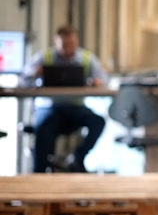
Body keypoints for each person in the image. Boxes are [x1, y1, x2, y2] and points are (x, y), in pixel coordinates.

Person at [20, 24, 108, 173]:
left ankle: (77, 157)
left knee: (98, 122)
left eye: (71, 44)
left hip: (76, 108)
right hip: (49, 107)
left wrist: (97, 82)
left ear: (77, 41)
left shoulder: (86, 58)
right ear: (56, 42)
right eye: (64, 45)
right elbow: (23, 80)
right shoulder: (45, 57)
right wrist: (35, 73)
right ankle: (39, 171)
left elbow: (104, 80)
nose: (68, 48)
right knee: (43, 128)